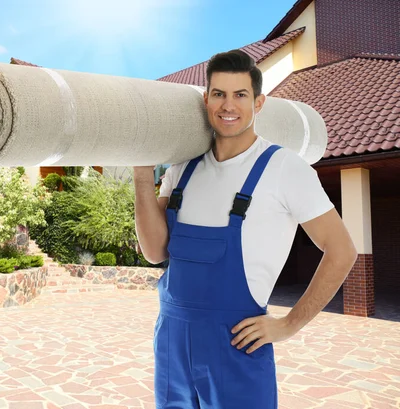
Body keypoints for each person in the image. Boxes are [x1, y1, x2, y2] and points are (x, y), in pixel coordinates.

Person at [133, 49, 357, 409]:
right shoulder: (183, 171)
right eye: (219, 94)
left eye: (240, 95)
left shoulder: (284, 168)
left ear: (259, 102)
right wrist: (142, 174)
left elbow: (342, 250)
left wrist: (289, 324)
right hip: (171, 343)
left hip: (236, 347)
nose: (228, 106)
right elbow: (154, 251)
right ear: (206, 100)